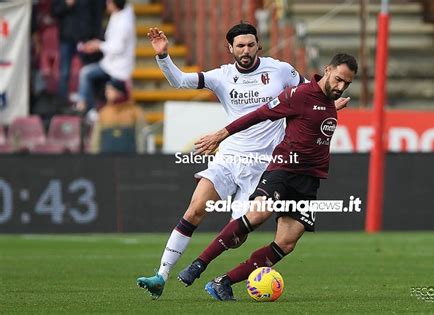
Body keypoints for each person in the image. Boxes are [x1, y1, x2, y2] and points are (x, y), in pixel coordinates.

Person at [136, 23, 350, 299]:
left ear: (258, 45)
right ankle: (161, 275)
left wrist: (331, 104)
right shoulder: (221, 76)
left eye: (250, 45)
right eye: (240, 46)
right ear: (230, 49)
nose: (246, 50)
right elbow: (179, 81)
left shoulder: (281, 70)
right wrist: (163, 56)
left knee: (239, 237)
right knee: (195, 208)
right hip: (229, 157)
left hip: (263, 165)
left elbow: (311, 94)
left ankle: (219, 277)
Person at [192, 53, 358, 301]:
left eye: (346, 83)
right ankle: (199, 264)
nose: (341, 86)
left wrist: (331, 107)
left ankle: (222, 282)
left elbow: (314, 116)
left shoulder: (328, 103)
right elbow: (259, 114)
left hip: (309, 180)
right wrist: (222, 134)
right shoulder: (299, 94)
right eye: (338, 79)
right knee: (258, 214)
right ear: (327, 70)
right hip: (283, 170)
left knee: (287, 243)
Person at [75, 0, 135, 113]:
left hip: (120, 69)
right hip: (108, 64)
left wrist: (98, 46)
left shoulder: (124, 23)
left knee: (112, 96)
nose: (106, 4)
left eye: (109, 2)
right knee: (85, 73)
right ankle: (88, 109)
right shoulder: (117, 14)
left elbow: (118, 47)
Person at [52, 0, 106, 99]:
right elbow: (55, 11)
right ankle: (62, 102)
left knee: (87, 71)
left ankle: (88, 102)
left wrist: (95, 35)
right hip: (67, 38)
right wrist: (66, 4)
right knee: (64, 73)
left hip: (85, 38)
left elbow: (96, 12)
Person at [89, 79, 145, 153]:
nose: (106, 93)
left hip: (130, 158)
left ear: (119, 92)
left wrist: (141, 155)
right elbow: (96, 137)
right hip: (107, 158)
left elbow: (140, 135)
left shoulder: (135, 111)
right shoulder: (104, 112)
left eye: (110, 90)